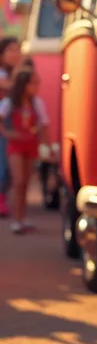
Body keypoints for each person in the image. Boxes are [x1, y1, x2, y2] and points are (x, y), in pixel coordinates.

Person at [0, 66, 50, 234]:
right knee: (18, 180)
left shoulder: (37, 103)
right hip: (16, 145)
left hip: (31, 144)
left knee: (26, 183)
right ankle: (16, 219)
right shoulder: (9, 103)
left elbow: (44, 125)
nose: (37, 86)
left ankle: (22, 218)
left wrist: (47, 146)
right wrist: (8, 133)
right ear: (23, 84)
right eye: (33, 83)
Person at [0, 36, 22, 218]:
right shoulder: (5, 75)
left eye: (18, 49)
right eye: (11, 50)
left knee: (8, 163)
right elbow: (12, 87)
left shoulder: (15, 73)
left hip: (12, 122)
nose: (16, 54)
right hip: (3, 122)